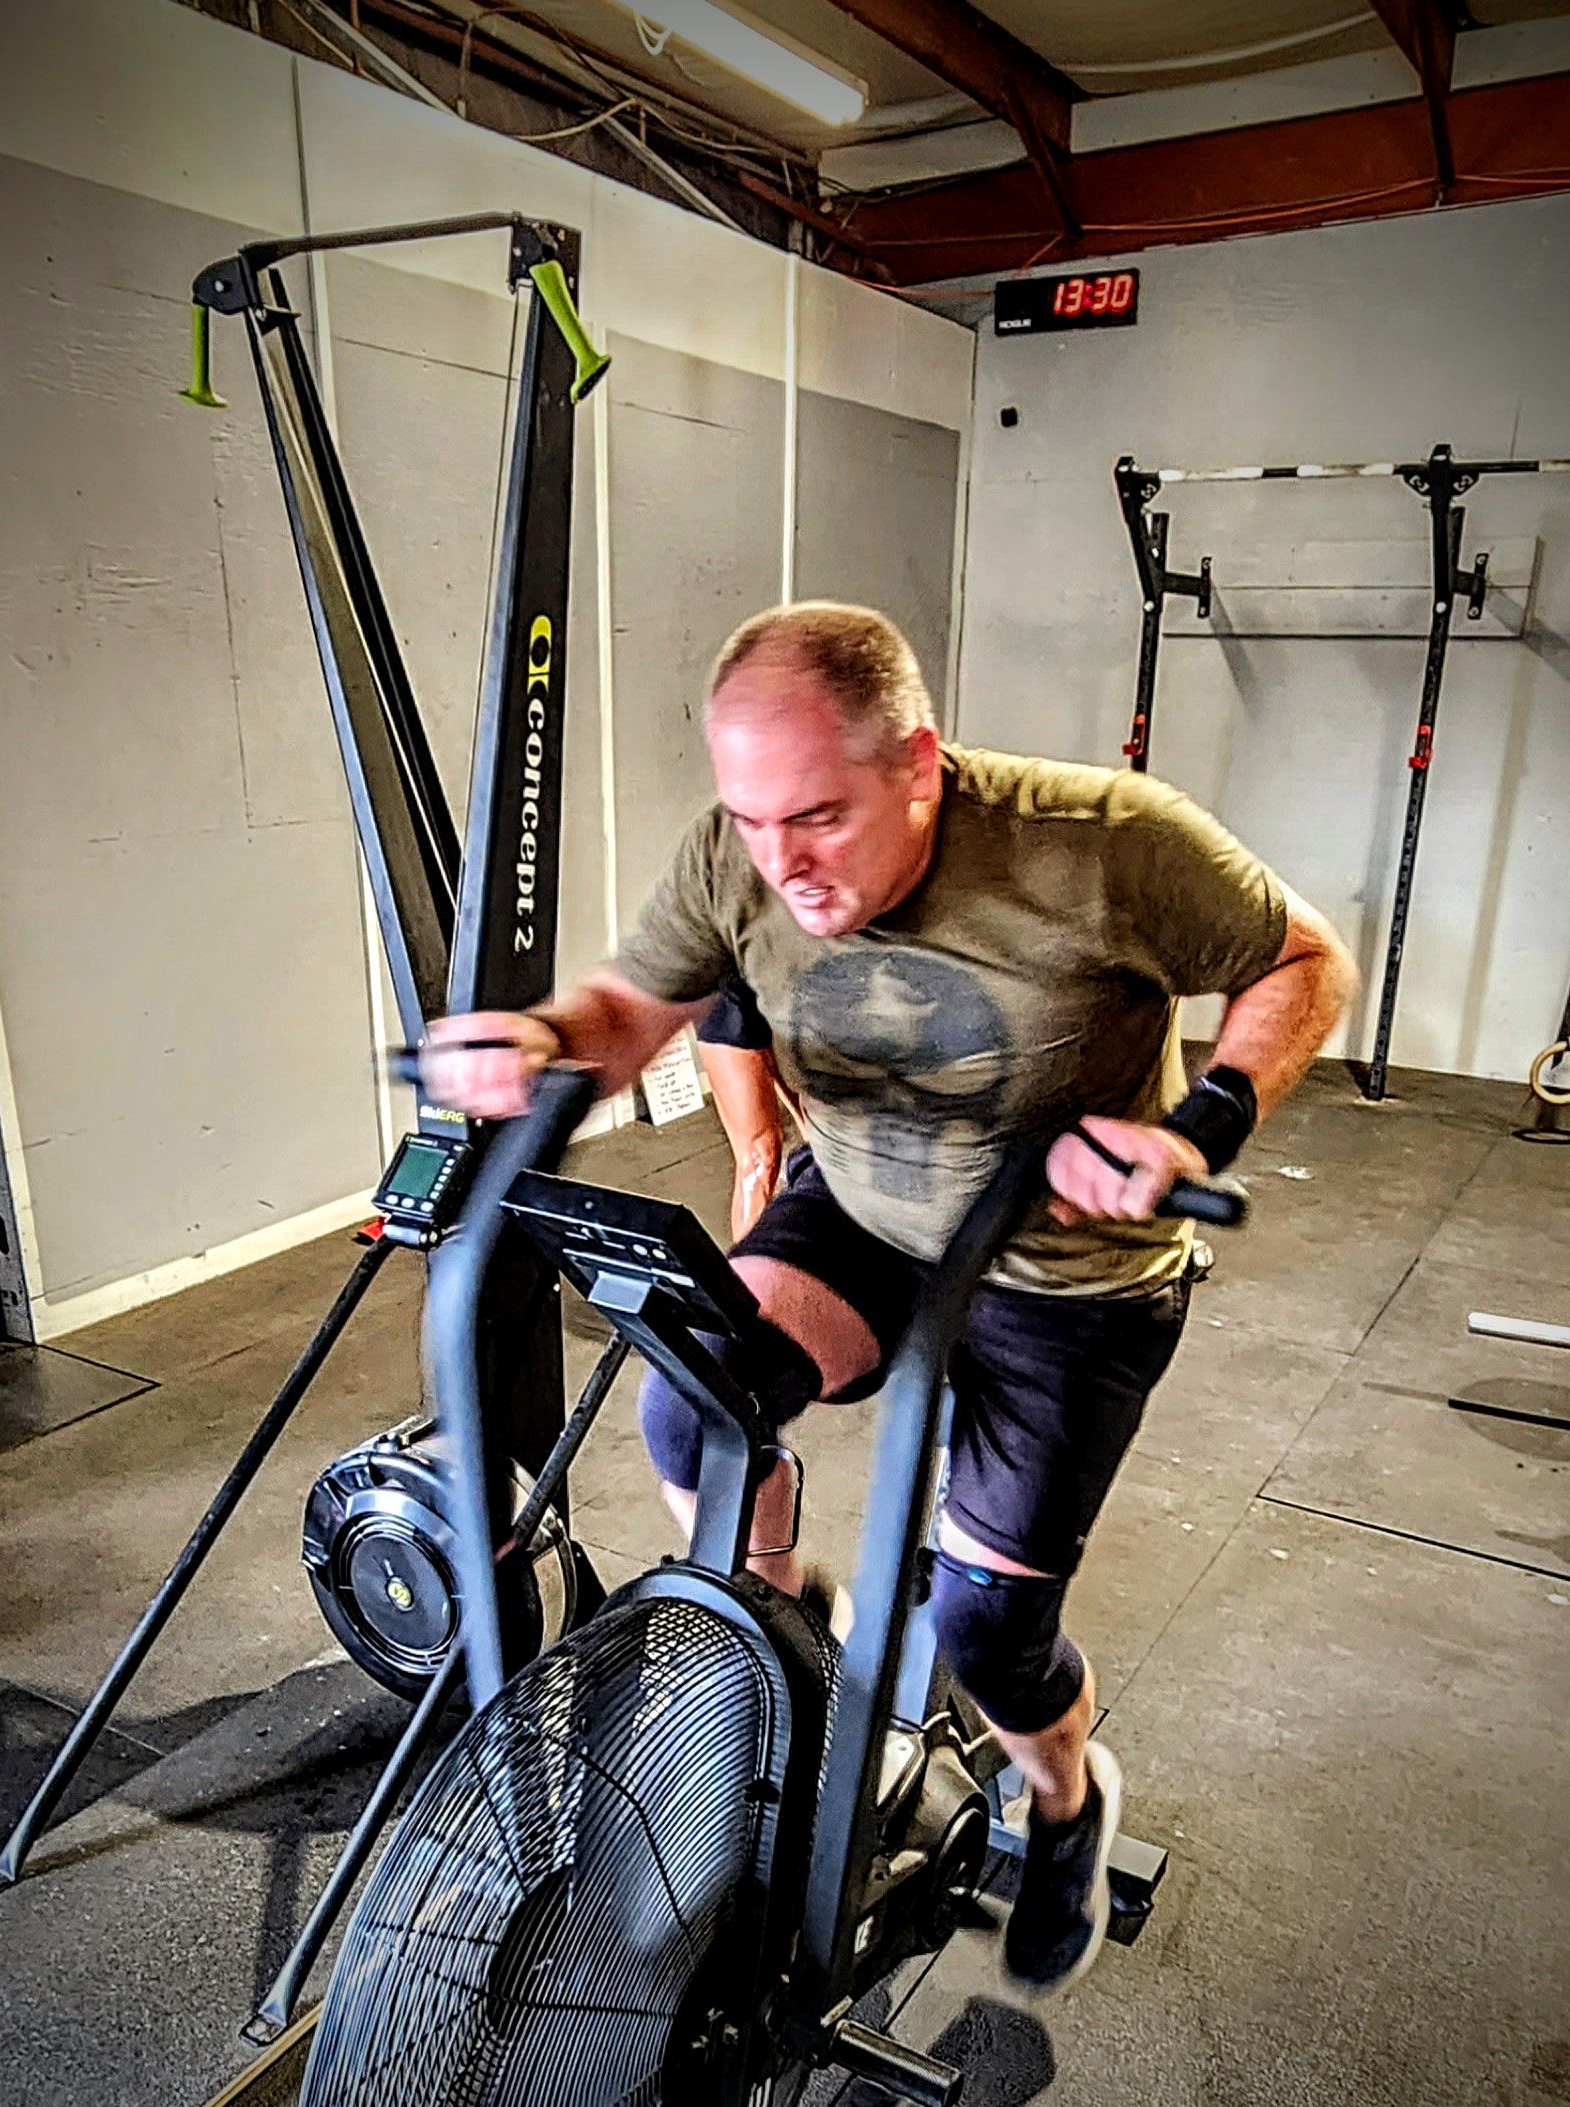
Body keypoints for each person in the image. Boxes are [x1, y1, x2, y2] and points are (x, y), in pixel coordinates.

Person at [421, 603, 1357, 2000]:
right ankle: (789, 1701)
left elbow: (1304, 961)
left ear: (917, 762)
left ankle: (1057, 1803)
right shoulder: (738, 855)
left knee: (988, 1635)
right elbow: (635, 1009)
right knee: (700, 1423)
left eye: (816, 818)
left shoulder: (1101, 842)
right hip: (864, 1208)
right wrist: (548, 1041)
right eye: (747, 821)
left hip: (1069, 1273)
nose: (778, 864)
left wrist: (1197, 1129)